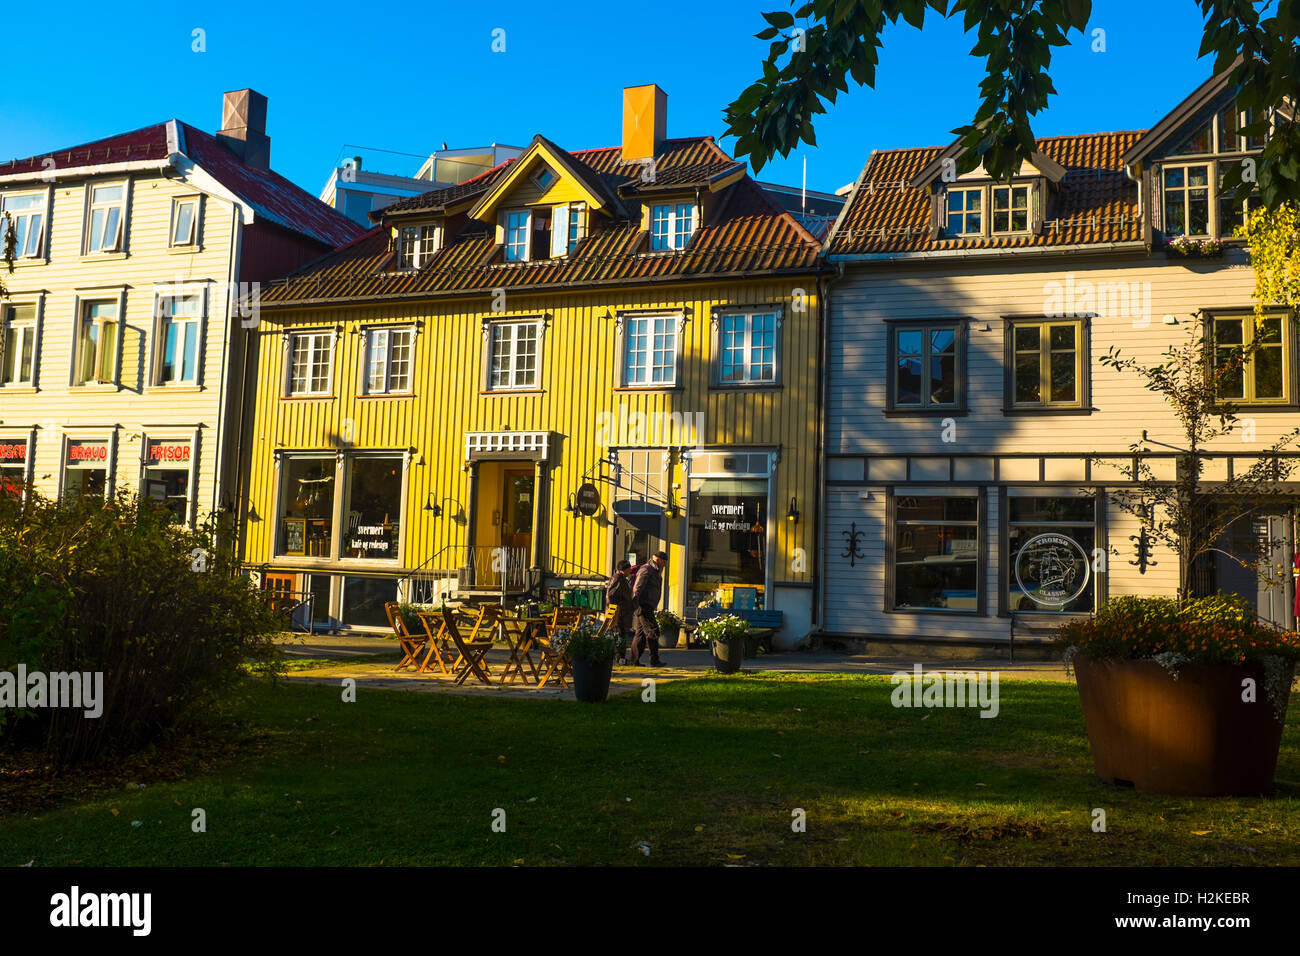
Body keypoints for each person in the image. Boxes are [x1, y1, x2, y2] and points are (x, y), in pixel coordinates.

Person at [630, 551, 669, 667]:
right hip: (643, 605)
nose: (665, 565)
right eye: (664, 562)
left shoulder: (655, 571)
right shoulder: (646, 570)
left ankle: (633, 660)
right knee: (653, 631)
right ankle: (654, 660)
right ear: (658, 560)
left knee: (641, 634)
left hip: (647, 605)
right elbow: (637, 588)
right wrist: (636, 606)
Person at [606, 559, 636, 657]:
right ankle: (619, 657)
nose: (630, 571)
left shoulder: (621, 578)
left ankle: (620, 657)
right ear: (624, 569)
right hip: (618, 614)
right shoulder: (618, 578)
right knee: (619, 635)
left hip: (621, 612)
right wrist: (614, 611)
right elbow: (610, 595)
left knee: (621, 635)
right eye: (629, 569)